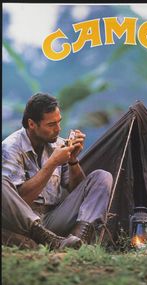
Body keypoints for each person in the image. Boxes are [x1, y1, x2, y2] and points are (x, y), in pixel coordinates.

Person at [2, 93, 113, 250]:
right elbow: (20, 201)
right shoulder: (11, 148)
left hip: (53, 219)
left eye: (59, 122)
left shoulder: (58, 144)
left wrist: (73, 160)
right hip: (25, 223)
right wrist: (52, 163)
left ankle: (78, 241)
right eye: (51, 124)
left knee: (102, 177)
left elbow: (78, 192)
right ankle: (49, 240)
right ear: (32, 124)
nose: (58, 129)